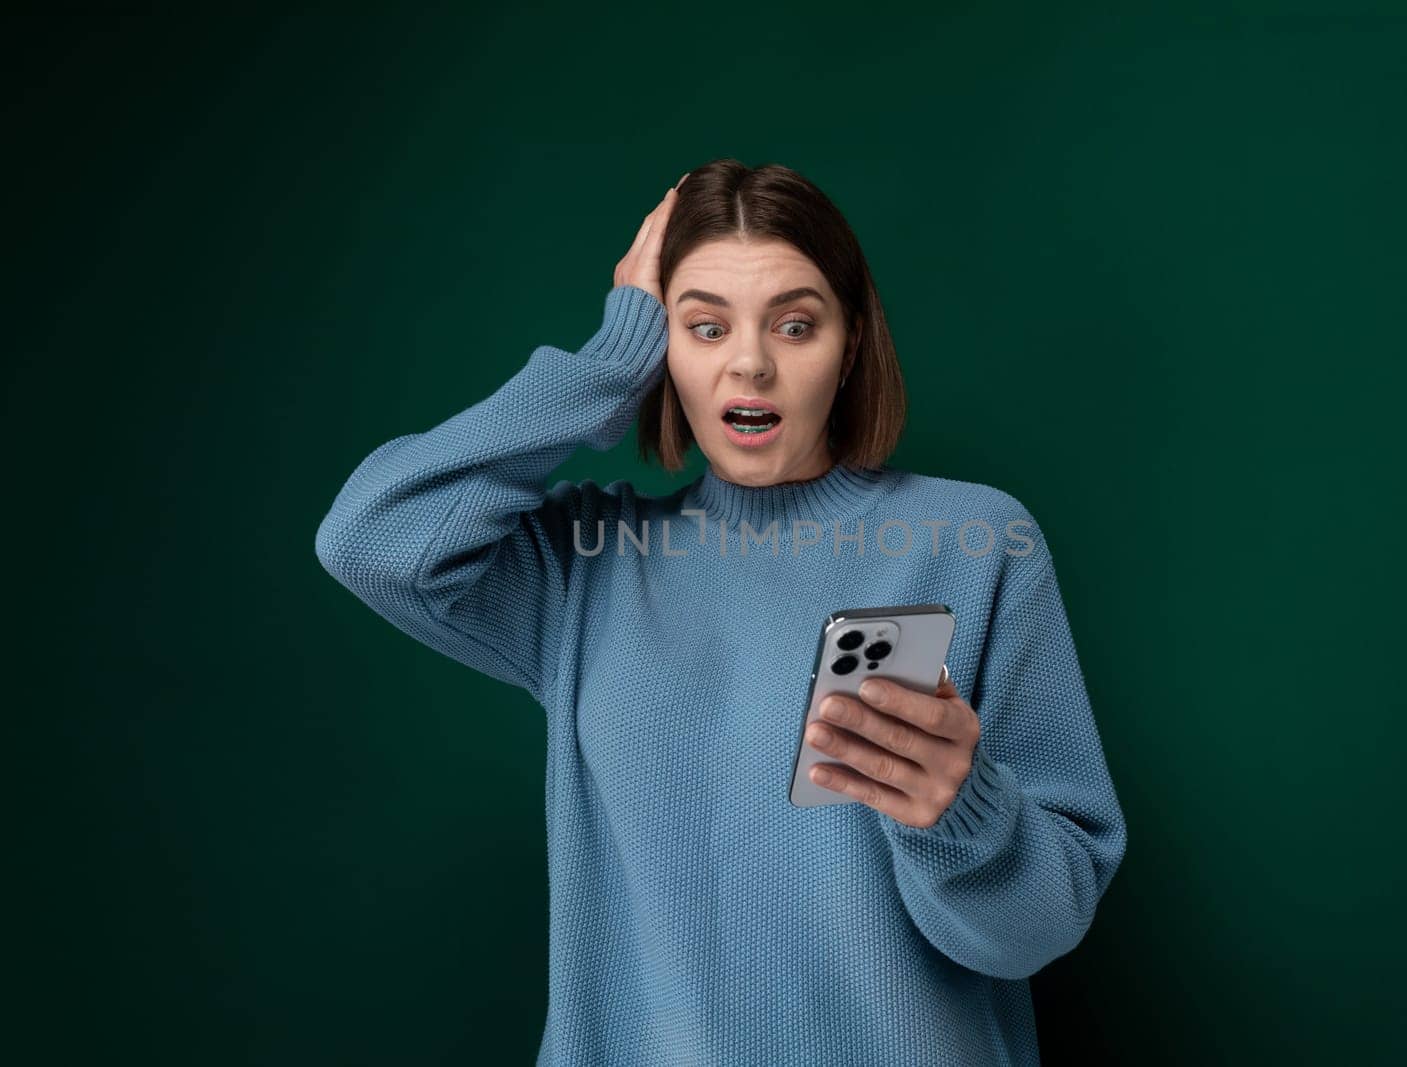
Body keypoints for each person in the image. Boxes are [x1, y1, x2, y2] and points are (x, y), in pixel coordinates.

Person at [314, 159, 1128, 1066]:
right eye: (702, 326)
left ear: (851, 343)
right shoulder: (588, 563)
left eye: (795, 323)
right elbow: (369, 537)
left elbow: (1038, 933)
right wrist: (606, 365)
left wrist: (962, 813)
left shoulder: (974, 541)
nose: (750, 362)